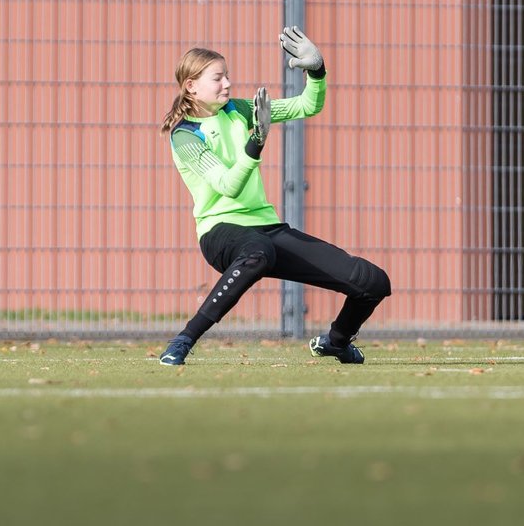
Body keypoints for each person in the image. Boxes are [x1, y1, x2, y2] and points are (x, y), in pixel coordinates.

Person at [157, 28, 391, 366]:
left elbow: (308, 105)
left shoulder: (239, 109)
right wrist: (256, 143)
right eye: (218, 78)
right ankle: (184, 339)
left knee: (372, 281)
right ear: (191, 86)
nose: (227, 84)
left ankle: (337, 342)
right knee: (258, 252)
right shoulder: (185, 136)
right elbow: (227, 185)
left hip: (266, 229)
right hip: (221, 231)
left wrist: (317, 70)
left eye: (228, 77)